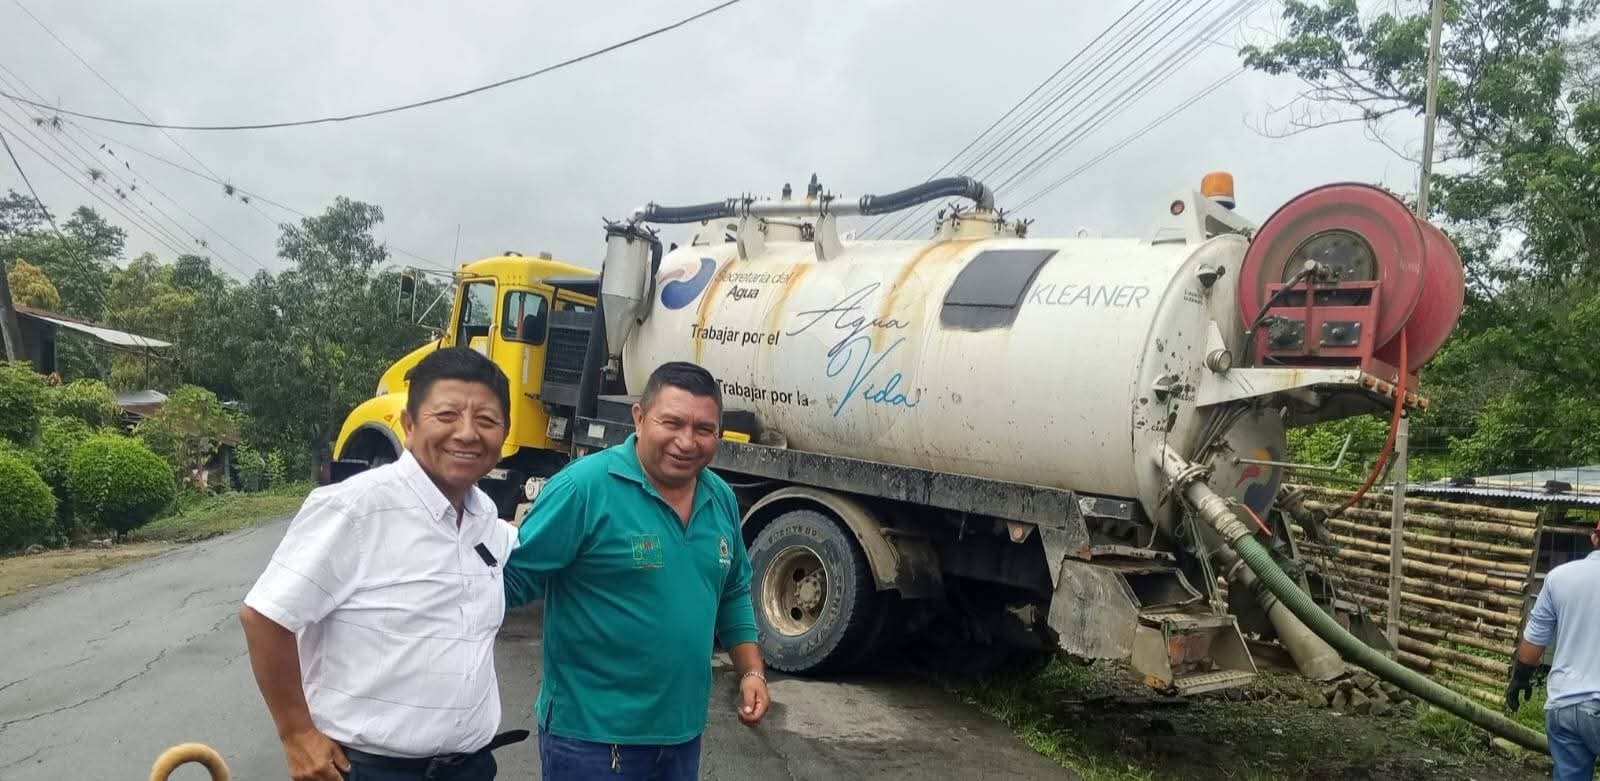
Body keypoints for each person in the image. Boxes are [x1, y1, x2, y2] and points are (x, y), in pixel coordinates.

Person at [240, 347, 525, 781]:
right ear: (409, 425)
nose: (467, 433)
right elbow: (265, 616)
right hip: (369, 769)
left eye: (486, 420)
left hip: (468, 767)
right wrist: (296, 734)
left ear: (503, 435)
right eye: (447, 415)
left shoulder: (484, 515)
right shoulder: (356, 508)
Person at [503, 360, 769, 780]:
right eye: (672, 423)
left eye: (704, 429)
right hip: (592, 739)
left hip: (681, 736)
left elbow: (732, 590)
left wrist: (751, 671)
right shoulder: (583, 489)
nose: (687, 441)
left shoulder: (719, 497)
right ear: (639, 418)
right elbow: (509, 581)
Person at [1507, 517, 1600, 781]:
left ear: (1594, 537)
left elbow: (1534, 643)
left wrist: (1520, 679)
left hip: (1565, 707)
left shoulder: (1559, 577)